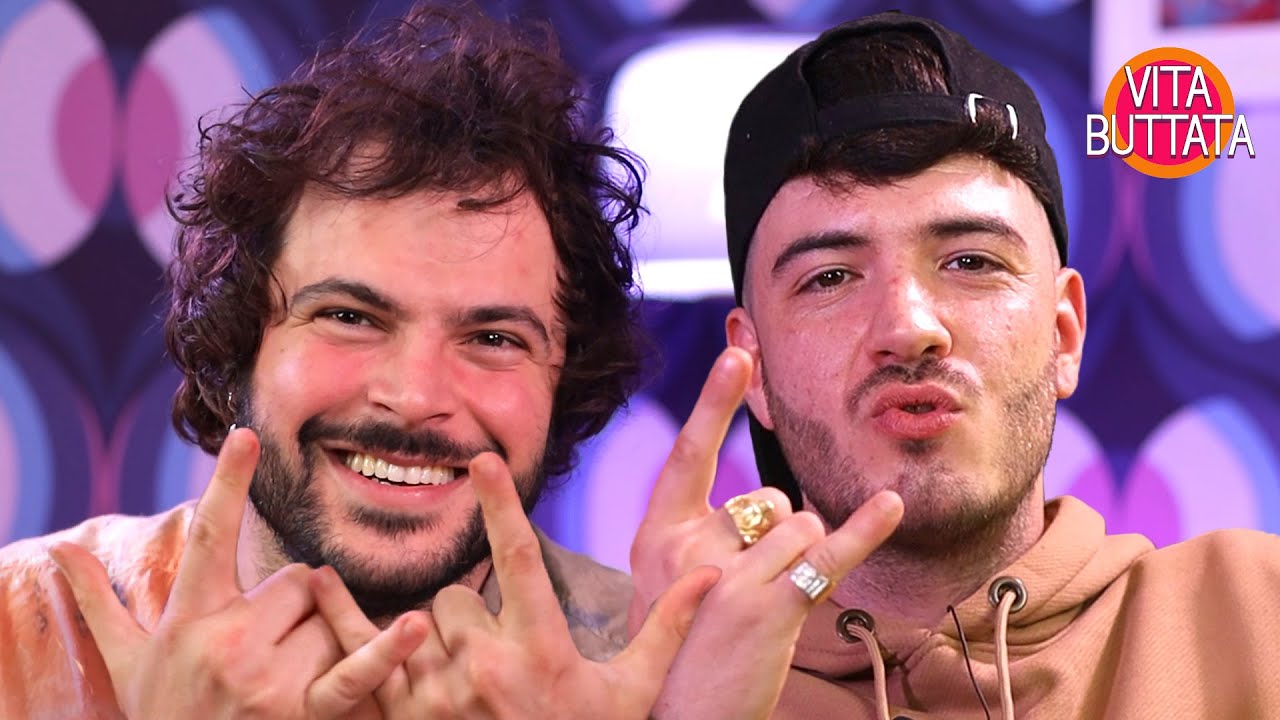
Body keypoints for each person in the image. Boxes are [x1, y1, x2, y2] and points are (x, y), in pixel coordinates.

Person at [0, 3, 720, 718]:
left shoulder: (659, 678)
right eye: (349, 318)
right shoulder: (19, 629)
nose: (415, 396)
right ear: (238, 346)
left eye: (493, 339)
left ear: (564, 382)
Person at [630, 10, 1280, 719]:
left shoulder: (1256, 611)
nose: (908, 329)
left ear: (1064, 333)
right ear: (752, 367)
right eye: (830, 278)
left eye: (971, 262)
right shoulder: (653, 684)